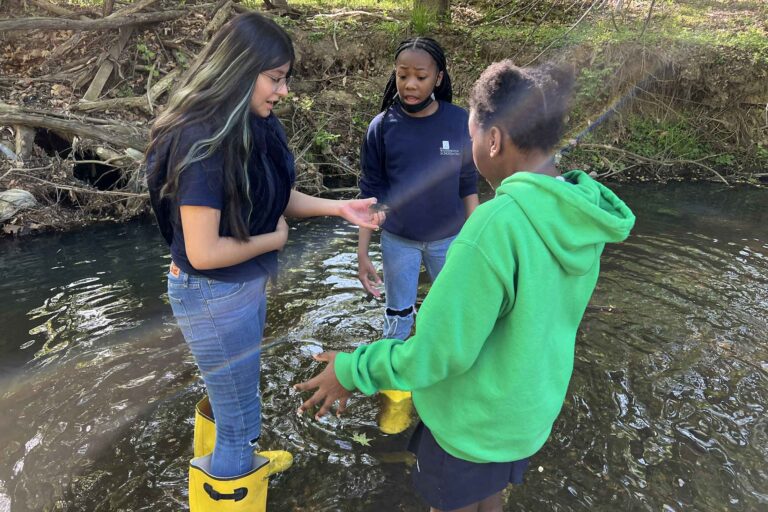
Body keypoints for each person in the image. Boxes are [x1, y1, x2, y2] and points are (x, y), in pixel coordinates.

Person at [295, 59, 636, 512]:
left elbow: (438, 353)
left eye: (471, 135)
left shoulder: (495, 226)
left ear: (493, 140)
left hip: (471, 423)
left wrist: (353, 369)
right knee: (487, 499)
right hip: (524, 416)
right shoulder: (580, 211)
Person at [145, 12, 381, 511]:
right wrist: (273, 242)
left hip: (237, 288)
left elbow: (276, 198)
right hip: (210, 294)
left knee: (232, 397)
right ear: (238, 70)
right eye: (275, 78)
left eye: (285, 78)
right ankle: (231, 472)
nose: (283, 90)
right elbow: (204, 251)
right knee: (240, 421)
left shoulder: (255, 123)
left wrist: (338, 207)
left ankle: (224, 461)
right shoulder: (201, 140)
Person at [356, 37, 479, 434]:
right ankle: (397, 393)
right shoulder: (382, 127)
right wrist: (362, 255)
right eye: (402, 75)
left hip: (450, 241)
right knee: (398, 318)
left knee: (453, 316)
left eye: (420, 76)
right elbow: (370, 195)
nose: (410, 84)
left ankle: (450, 387)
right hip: (399, 241)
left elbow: (468, 185)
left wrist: (476, 243)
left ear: (438, 77)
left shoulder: (458, 121)